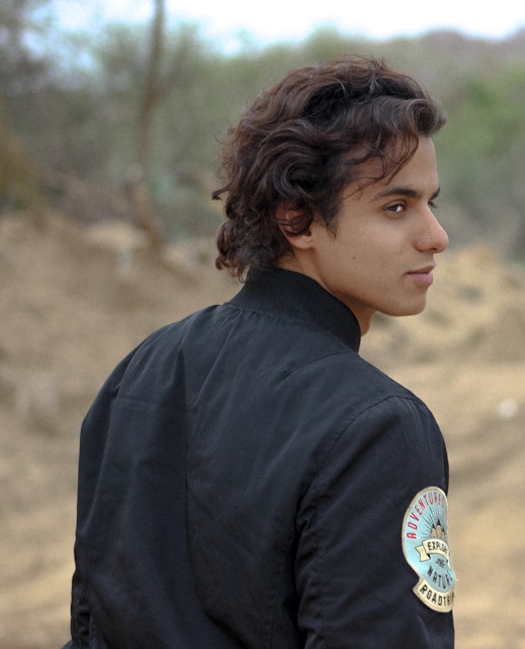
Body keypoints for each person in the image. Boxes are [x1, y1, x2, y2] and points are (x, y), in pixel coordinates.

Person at [64, 56, 456, 648]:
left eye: (431, 202)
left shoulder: (141, 371)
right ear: (296, 218)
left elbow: (91, 623)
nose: (436, 236)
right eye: (396, 207)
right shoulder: (378, 426)